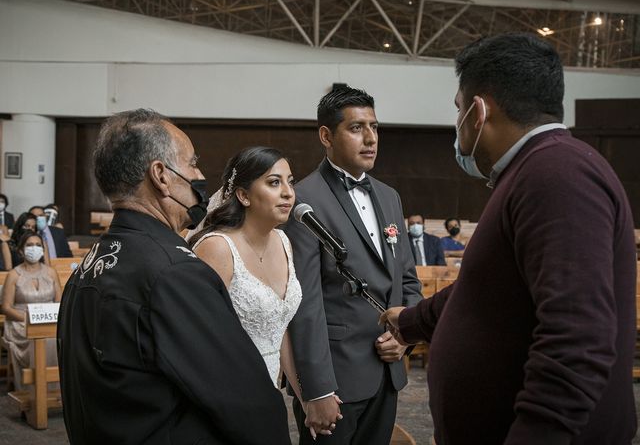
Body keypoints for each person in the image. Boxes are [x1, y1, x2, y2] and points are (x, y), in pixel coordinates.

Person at [380, 33, 637, 444]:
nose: (459, 121)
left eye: (459, 109)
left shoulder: (557, 176)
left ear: (478, 112)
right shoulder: (534, 171)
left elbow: (577, 340)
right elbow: (488, 287)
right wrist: (411, 321)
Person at [57, 109, 291, 444]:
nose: (199, 174)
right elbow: (248, 403)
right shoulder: (176, 273)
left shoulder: (89, 265)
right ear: (161, 176)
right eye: (192, 163)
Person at [283, 86, 423, 444]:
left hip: (386, 370)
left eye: (375, 127)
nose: (370, 138)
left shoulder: (390, 197)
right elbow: (305, 304)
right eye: (357, 128)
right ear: (326, 136)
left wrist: (404, 333)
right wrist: (316, 390)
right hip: (335, 381)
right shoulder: (303, 200)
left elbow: (406, 277)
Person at [188, 146, 341, 439]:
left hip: (268, 394)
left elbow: (278, 327)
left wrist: (306, 397)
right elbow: (198, 342)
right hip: (224, 396)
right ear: (243, 195)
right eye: (274, 182)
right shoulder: (217, 248)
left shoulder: (284, 242)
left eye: (290, 181)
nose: (288, 193)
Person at [2, 231, 62, 389]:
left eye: (37, 245)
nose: (34, 248)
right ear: (21, 250)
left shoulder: (51, 273)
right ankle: (34, 389)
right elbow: (6, 308)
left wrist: (47, 318)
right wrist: (30, 319)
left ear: (43, 250)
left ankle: (55, 388)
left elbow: (59, 302)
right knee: (37, 340)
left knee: (59, 338)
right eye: (29, 245)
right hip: (21, 323)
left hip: (48, 321)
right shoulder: (14, 275)